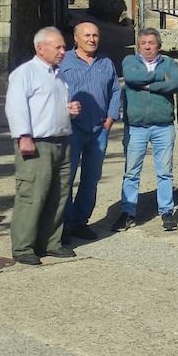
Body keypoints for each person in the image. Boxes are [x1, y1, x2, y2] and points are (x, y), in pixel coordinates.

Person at [5, 27, 80, 265]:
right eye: (57, 47)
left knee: (58, 195)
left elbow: (48, 106)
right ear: (40, 48)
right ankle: (23, 246)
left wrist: (69, 111)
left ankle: (50, 242)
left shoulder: (59, 75)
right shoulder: (25, 73)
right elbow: (15, 107)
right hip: (36, 143)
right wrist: (23, 136)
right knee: (32, 195)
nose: (63, 51)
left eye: (63, 47)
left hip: (61, 141)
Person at [115, 28, 178, 233]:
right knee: (131, 172)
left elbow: (177, 83)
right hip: (136, 127)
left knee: (165, 172)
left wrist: (147, 86)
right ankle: (127, 212)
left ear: (158, 45)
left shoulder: (169, 64)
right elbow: (130, 77)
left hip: (163, 126)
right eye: (143, 42)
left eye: (151, 43)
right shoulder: (130, 61)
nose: (146, 46)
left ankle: (166, 212)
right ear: (138, 45)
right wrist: (160, 80)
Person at [59, 21, 120, 241]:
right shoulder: (63, 60)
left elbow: (115, 90)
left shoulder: (106, 62)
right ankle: (63, 226)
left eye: (95, 35)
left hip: (99, 131)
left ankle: (79, 222)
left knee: (91, 179)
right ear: (75, 38)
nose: (92, 39)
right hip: (70, 129)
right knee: (66, 178)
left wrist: (111, 119)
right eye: (87, 35)